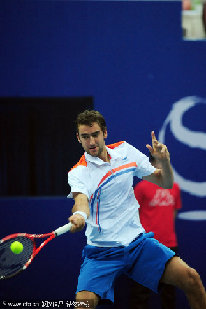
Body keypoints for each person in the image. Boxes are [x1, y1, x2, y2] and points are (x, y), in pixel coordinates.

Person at [67, 110, 206, 309]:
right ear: (78, 138)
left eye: (95, 134)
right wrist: (80, 215)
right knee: (83, 305)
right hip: (101, 253)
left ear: (105, 133)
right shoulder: (78, 172)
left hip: (138, 245)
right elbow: (81, 200)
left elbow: (165, 182)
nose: (91, 142)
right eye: (85, 137)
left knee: (192, 279)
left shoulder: (126, 151)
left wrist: (165, 161)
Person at [129, 155, 182, 309]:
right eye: (159, 162)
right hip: (146, 246)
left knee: (169, 293)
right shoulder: (141, 188)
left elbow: (173, 213)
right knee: (140, 293)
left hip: (170, 246)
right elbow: (133, 216)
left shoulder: (174, 187)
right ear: (151, 165)